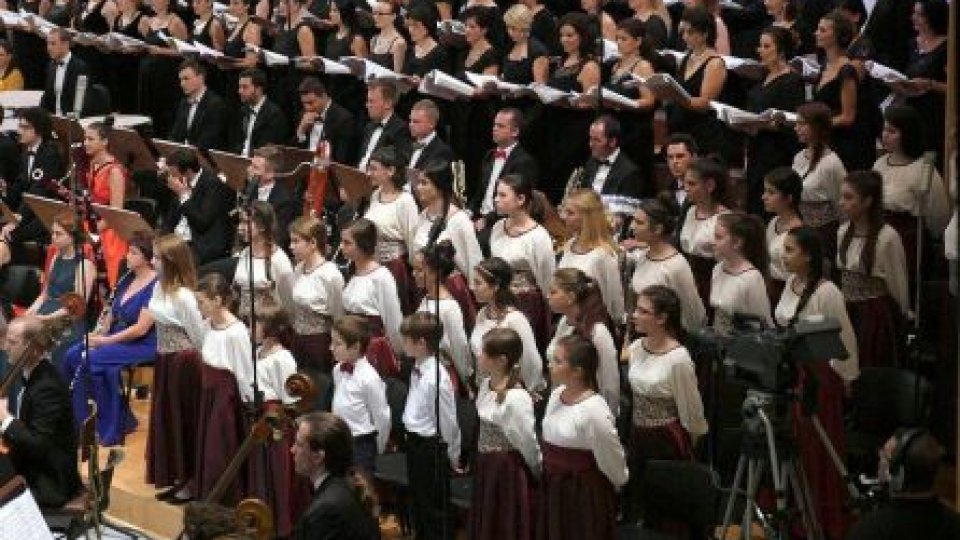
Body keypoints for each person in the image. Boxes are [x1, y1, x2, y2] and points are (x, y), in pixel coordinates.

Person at [775, 226, 858, 539]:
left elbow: (845, 343)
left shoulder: (828, 293)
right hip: (791, 373)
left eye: (790, 250)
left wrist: (845, 382)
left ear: (808, 256)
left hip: (818, 382)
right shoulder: (790, 283)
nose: (783, 256)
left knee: (815, 447)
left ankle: (818, 512)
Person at [61, 232, 157, 446]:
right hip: (117, 337)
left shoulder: (155, 286)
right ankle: (82, 420)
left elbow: (141, 329)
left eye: (133, 253)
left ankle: (99, 427)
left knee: (89, 360)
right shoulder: (126, 278)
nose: (127, 257)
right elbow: (111, 315)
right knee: (71, 354)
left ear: (147, 258)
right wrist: (98, 333)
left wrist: (103, 342)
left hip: (141, 344)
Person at [625, 285, 707, 522]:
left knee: (666, 510)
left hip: (666, 441)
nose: (634, 315)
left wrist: (689, 444)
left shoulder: (678, 359)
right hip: (637, 435)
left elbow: (692, 413)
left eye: (643, 311)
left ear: (661, 318)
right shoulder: (636, 348)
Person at [538, 334, 628, 540]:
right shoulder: (556, 394)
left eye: (558, 361)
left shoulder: (594, 410)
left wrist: (617, 481)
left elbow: (612, 459)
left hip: (579, 495)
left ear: (578, 371)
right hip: (553, 487)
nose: (551, 365)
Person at [146, 234, 207, 500]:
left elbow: (199, 335)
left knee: (184, 420)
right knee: (168, 419)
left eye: (157, 258)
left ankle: (192, 481)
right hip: (164, 361)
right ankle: (179, 477)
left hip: (183, 364)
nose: (152, 261)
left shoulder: (184, 296)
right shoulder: (158, 288)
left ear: (171, 262)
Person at [0, 316, 83, 507]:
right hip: (34, 463)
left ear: (34, 348)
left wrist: (5, 418)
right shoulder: (30, 373)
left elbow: (38, 443)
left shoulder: (47, 386)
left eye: (13, 342)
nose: (6, 347)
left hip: (50, 481)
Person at [471, 327, 541, 540]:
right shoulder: (486, 385)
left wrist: (536, 469)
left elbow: (527, 440)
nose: (479, 355)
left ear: (501, 360)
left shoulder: (516, 397)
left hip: (506, 470)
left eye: (484, 352)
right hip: (486, 464)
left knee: (505, 523)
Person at [872, 105, 950, 294]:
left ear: (907, 133)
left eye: (892, 131)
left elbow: (938, 215)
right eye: (884, 129)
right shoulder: (879, 164)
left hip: (908, 242)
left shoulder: (923, 169)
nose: (885, 135)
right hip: (878, 237)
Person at [837, 171, 909, 368]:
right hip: (847, 309)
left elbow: (898, 285)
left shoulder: (887, 237)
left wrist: (899, 319)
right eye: (841, 196)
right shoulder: (843, 231)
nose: (842, 202)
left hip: (873, 316)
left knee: (870, 364)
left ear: (868, 201)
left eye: (849, 197)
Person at [401, 312, 462, 540]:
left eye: (406, 339)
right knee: (419, 502)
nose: (402, 344)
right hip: (415, 445)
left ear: (421, 343)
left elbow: (447, 420)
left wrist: (452, 454)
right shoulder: (417, 367)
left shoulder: (436, 377)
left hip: (431, 449)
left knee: (434, 509)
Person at [847, 430, 960, 540]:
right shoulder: (954, 524)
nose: (879, 459)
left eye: (885, 456)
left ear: (899, 474)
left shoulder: (868, 531)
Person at [490, 173, 556, 351]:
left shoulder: (538, 236)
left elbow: (547, 279)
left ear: (520, 199)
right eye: (496, 194)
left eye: (503, 195)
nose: (496, 200)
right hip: (498, 299)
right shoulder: (497, 227)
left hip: (525, 303)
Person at [743, 26, 804, 216]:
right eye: (760, 46)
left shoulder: (792, 80)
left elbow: (790, 120)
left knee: (768, 208)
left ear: (781, 51)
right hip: (756, 148)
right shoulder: (764, 76)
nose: (760, 50)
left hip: (775, 153)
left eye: (766, 46)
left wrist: (758, 123)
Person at [411, 162, 482, 326]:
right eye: (418, 182)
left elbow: (473, 261)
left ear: (440, 187)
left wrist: (476, 297)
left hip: (451, 289)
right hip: (425, 286)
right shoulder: (422, 216)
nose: (418, 187)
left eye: (424, 183)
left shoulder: (458, 220)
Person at [290, 411, 380, 540]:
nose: (292, 450)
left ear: (318, 456)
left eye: (299, 444)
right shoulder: (352, 484)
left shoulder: (325, 511)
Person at [540, 12, 600, 202]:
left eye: (570, 35)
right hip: (554, 125)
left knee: (565, 177)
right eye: (562, 35)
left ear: (582, 36)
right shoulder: (559, 62)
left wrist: (566, 101)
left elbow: (590, 103)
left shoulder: (589, 65)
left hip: (574, 130)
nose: (564, 40)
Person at [546, 268, 619, 415]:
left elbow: (609, 383)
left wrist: (607, 414)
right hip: (562, 400)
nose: (547, 297)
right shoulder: (564, 323)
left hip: (588, 410)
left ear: (571, 297)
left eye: (553, 292)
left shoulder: (598, 332)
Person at [0, 107, 66, 268]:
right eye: (19, 126)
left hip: (47, 215)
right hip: (31, 212)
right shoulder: (24, 154)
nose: (19, 131)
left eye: (25, 127)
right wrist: (4, 192)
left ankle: (25, 277)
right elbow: (20, 187)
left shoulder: (50, 154)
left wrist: (18, 218)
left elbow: (39, 191)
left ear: (38, 130)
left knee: (10, 234)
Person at [628, 198, 706, 331]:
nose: (632, 226)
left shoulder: (676, 266)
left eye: (639, 223)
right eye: (633, 220)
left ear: (658, 229)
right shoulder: (643, 255)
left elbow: (693, 313)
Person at [469, 108, 539, 252]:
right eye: (494, 125)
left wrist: (486, 219)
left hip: (502, 221)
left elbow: (517, 204)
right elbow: (479, 193)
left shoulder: (524, 162)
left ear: (515, 132)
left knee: (473, 243)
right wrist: (469, 212)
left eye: (500, 126)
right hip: (480, 217)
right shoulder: (489, 155)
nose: (494, 129)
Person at [470, 257, 545, 392]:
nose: (472, 287)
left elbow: (531, 362)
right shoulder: (482, 313)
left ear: (495, 286)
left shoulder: (516, 320)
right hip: (486, 390)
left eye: (478, 283)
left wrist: (530, 390)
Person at [812, 11, 874, 172]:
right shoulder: (825, 66)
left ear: (838, 35)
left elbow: (848, 117)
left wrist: (815, 125)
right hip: (828, 139)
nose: (816, 33)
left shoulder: (847, 70)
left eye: (823, 30)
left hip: (846, 144)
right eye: (818, 29)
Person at [330, 315, 391, 477]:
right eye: (332, 342)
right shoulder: (337, 369)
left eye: (337, 344)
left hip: (361, 444)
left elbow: (382, 416)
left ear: (356, 347)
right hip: (340, 439)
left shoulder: (369, 378)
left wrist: (378, 447)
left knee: (360, 493)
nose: (331, 347)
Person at [341, 218, 403, 376]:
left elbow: (393, 319)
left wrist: (398, 352)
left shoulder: (381, 276)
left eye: (348, 243)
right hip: (350, 345)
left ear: (362, 245)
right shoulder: (352, 273)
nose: (342, 247)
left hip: (370, 348)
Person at [666, 6, 729, 160]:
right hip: (681, 129)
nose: (685, 37)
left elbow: (705, 103)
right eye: (684, 32)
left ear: (705, 34)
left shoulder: (714, 63)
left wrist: (677, 96)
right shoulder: (687, 57)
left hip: (700, 134)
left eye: (691, 32)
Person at [558, 188, 625, 323]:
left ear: (587, 218)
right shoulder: (570, 244)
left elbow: (614, 304)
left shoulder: (603, 255)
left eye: (570, 213)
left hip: (591, 326)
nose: (564, 217)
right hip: (565, 320)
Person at [792, 101, 846, 268]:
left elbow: (841, 206)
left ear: (817, 127)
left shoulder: (831, 164)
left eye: (802, 124)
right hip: (801, 227)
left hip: (823, 234)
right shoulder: (799, 157)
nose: (796, 128)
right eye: (796, 123)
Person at [288, 216, 344, 373]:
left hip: (319, 344)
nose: (291, 246)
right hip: (298, 340)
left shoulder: (330, 274)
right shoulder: (299, 269)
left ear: (312, 243)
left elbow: (338, 315)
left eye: (296, 241)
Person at [413, 241, 472, 389]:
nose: (414, 274)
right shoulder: (426, 299)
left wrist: (465, 379)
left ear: (436, 272)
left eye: (419, 270)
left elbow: (459, 346)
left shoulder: (449, 307)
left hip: (442, 375)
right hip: (423, 368)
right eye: (413, 269)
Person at [161, 149, 235, 266]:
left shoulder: (213, 185)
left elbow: (202, 223)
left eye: (174, 174)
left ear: (188, 172)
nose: (171, 178)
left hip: (200, 244)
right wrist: (162, 240)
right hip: (179, 239)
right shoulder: (179, 181)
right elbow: (170, 219)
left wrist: (183, 196)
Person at [901, 0, 949, 169]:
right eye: (914, 13)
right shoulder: (912, 44)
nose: (913, 17)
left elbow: (953, 88)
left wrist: (930, 84)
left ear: (933, 18)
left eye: (919, 14)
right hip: (913, 114)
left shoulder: (947, 48)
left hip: (934, 119)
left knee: (929, 168)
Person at [82, 121, 129, 287]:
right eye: (85, 139)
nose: (85, 143)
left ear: (104, 142)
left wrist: (92, 232)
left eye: (90, 139)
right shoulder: (93, 165)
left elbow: (116, 212)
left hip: (109, 229)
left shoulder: (114, 171)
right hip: (93, 224)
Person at [678, 156, 731, 304]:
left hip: (711, 285)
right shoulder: (690, 211)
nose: (685, 188)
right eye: (684, 182)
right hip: (687, 281)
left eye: (691, 184)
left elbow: (726, 262)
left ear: (709, 186)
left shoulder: (725, 219)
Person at [710, 213, 772, 334]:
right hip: (719, 341)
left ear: (737, 242)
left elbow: (761, 322)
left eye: (719, 237)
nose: (713, 242)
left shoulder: (752, 278)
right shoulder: (717, 268)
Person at [233, 201, 295, 318]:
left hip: (266, 326)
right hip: (244, 323)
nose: (240, 228)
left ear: (262, 226)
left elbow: (288, 302)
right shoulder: (245, 253)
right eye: (241, 222)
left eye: (246, 223)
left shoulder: (278, 259)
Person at [577, 115, 649, 199]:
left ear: (612, 142)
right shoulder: (591, 162)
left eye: (596, 140)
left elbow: (625, 209)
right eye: (591, 139)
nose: (590, 144)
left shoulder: (630, 173)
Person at [243, 146, 298, 249]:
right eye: (251, 165)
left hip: (269, 251)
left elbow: (279, 237)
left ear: (270, 174)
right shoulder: (251, 188)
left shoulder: (284, 200)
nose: (249, 170)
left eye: (256, 168)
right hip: (249, 246)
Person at [762, 167, 804, 301]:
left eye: (771, 192)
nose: (764, 197)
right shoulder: (773, 222)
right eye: (765, 191)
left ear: (788, 198)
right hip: (771, 287)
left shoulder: (799, 232)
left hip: (789, 292)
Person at [294, 77, 358, 164]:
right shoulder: (303, 114)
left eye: (311, 103)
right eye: (304, 103)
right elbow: (294, 154)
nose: (307, 108)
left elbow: (342, 159)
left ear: (323, 96)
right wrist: (301, 130)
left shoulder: (343, 119)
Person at [168, 60, 227, 150]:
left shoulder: (215, 104)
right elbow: (175, 135)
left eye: (186, 79)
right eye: (181, 80)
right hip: (184, 157)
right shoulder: (184, 103)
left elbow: (208, 141)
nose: (182, 84)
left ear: (200, 78)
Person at [232, 68, 288, 157]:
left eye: (245, 87)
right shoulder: (243, 111)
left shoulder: (274, 114)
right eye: (239, 87)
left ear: (258, 89)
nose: (240, 91)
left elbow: (267, 151)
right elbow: (237, 144)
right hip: (240, 162)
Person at [357, 79, 411, 170]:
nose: (367, 105)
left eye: (371, 101)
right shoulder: (369, 126)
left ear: (388, 104)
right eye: (368, 101)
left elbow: (399, 164)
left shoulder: (401, 129)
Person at [40, 28, 91, 116]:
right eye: (48, 43)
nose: (49, 48)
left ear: (65, 44)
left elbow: (82, 101)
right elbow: (47, 96)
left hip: (72, 120)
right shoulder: (51, 66)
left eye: (53, 44)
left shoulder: (80, 67)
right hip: (54, 118)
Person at [407, 99, 454, 170]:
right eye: (410, 120)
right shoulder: (407, 143)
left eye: (416, 122)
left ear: (432, 124)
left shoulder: (442, 151)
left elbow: (434, 179)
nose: (410, 125)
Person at [662, 133, 698, 211]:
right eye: (670, 157)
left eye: (680, 156)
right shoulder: (666, 191)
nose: (674, 161)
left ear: (694, 157)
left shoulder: (705, 189)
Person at [369, 0, 407, 72]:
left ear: (393, 16)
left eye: (380, 14)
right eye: (374, 13)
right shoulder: (373, 40)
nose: (376, 17)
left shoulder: (398, 43)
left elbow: (397, 76)